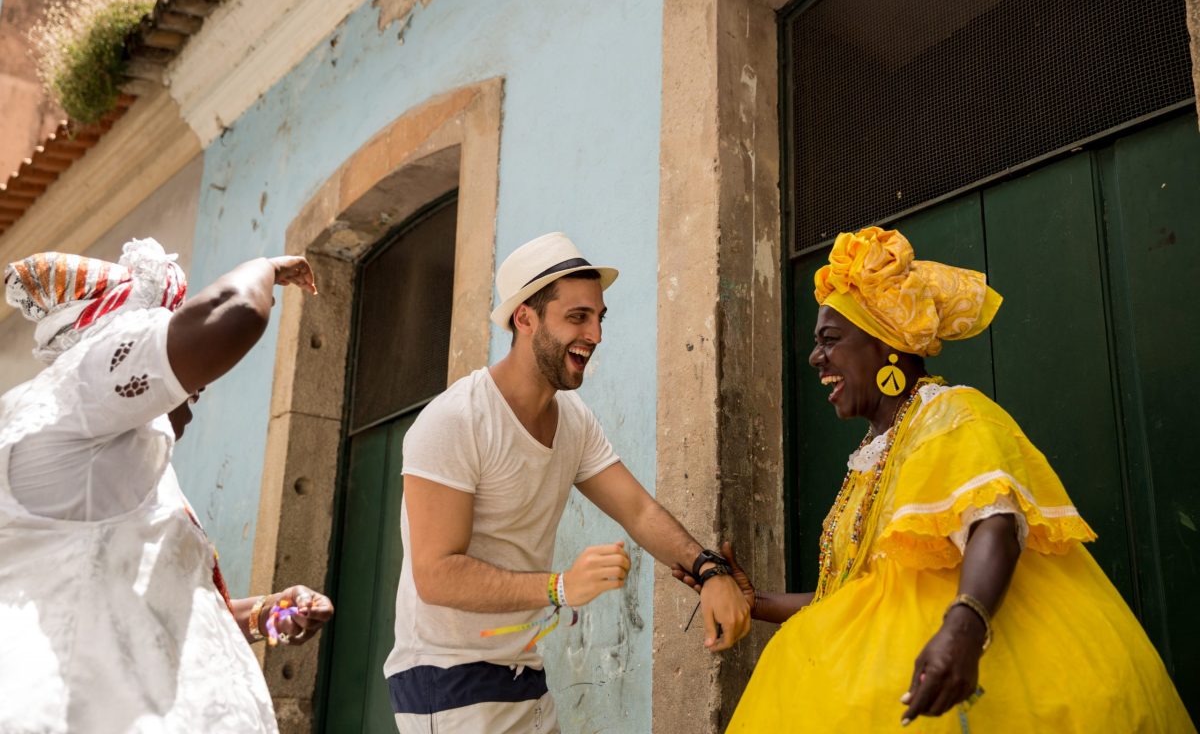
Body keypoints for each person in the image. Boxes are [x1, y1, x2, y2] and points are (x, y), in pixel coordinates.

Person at [694, 227, 1195, 731]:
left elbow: (994, 522)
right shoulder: (871, 454)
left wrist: (962, 629)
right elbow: (860, 592)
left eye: (831, 339)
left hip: (977, 678)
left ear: (887, 343)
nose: (815, 357)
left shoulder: (950, 413)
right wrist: (756, 602)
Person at [384, 231, 751, 733]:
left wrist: (710, 570)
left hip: (523, 675)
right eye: (578, 317)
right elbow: (436, 574)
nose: (595, 334)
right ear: (525, 318)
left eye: (599, 318)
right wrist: (560, 587)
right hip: (446, 682)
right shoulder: (456, 420)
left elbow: (639, 511)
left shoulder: (573, 420)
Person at [0, 239, 335, 733]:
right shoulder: (80, 391)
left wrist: (268, 613)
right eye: (166, 333)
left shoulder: (118, 464)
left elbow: (158, 614)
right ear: (117, 349)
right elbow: (236, 311)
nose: (196, 387)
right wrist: (263, 265)